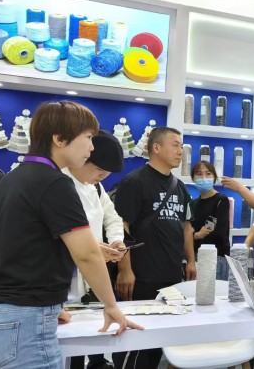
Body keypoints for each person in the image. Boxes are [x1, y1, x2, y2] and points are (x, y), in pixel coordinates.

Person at [0, 101, 141, 368]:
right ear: (59, 139)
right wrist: (111, 306)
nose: (92, 148)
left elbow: (23, 246)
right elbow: (86, 255)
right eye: (88, 137)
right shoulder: (55, 183)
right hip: (27, 318)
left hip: (10, 312)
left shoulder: (13, 179)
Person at [112, 127, 196, 369]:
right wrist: (125, 270)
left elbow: (186, 227)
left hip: (172, 277)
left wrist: (191, 261)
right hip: (141, 276)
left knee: (158, 344)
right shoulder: (134, 182)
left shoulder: (180, 187)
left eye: (181, 146)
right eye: (175, 145)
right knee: (136, 343)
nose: (180, 151)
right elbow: (120, 228)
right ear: (156, 147)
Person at [64, 129, 127, 369]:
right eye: (99, 170)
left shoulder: (96, 188)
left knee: (86, 341)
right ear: (84, 157)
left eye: (107, 173)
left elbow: (112, 217)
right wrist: (93, 248)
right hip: (64, 281)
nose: (102, 176)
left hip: (91, 281)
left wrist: (116, 241)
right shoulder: (60, 184)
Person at [190, 160, 231, 280]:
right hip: (196, 257)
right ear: (193, 178)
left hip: (217, 258)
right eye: (199, 174)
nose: (204, 178)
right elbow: (187, 232)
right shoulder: (192, 204)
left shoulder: (221, 200)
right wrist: (197, 235)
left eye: (208, 174)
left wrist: (195, 235)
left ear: (214, 177)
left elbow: (219, 233)